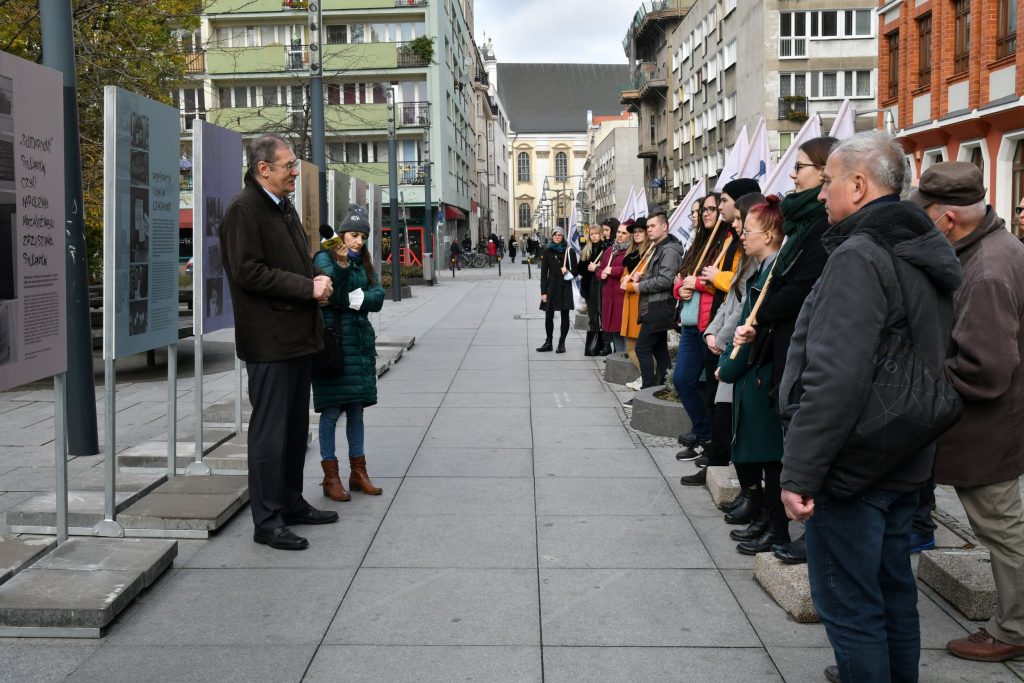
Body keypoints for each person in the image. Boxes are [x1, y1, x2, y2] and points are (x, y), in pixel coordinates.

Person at [779, 131, 961, 683]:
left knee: (852, 605)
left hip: (854, 461)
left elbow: (836, 376)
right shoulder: (920, 245)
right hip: (904, 452)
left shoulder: (860, 253)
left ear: (858, 185)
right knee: (891, 594)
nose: (820, 195)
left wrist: (802, 470)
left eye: (828, 182)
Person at [908, 162, 1024, 663]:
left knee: (1003, 530)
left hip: (987, 430)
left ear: (949, 218)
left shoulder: (988, 270)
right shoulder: (992, 247)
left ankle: (1016, 630)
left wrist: (918, 384)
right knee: (1003, 528)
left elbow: (986, 370)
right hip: (990, 426)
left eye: (925, 216)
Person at [220, 134, 339, 551]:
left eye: (295, 163)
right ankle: (267, 520)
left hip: (295, 336)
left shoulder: (281, 206)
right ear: (263, 169)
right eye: (288, 165)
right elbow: (248, 273)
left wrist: (316, 281)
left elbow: (290, 262)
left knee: (293, 429)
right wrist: (307, 288)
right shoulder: (243, 210)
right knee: (270, 433)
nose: (295, 171)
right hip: (269, 340)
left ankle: (290, 502)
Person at [732, 136, 838, 564]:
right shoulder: (803, 223)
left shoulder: (821, 228)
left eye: (801, 167)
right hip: (780, 346)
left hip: (804, 350)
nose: (792, 175)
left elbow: (799, 287)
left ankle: (794, 529)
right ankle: (773, 519)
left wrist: (764, 315)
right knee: (777, 443)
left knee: (789, 447)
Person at [717, 196, 788, 554]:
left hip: (763, 372)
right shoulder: (760, 269)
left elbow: (753, 326)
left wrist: (730, 366)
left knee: (769, 456)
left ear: (772, 234)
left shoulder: (776, 271)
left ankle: (777, 526)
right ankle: (765, 517)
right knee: (758, 452)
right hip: (751, 372)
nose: (743, 236)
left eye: (749, 231)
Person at [680, 192, 763, 487]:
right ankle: (718, 462)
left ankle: (742, 483)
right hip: (716, 332)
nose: (737, 227)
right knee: (717, 405)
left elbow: (741, 303)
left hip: (738, 343)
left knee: (727, 411)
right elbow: (729, 301)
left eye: (740, 219)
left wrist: (721, 334)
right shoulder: (735, 246)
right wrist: (712, 331)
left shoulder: (755, 258)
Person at [312, 214, 386, 502]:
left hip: (358, 343)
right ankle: (331, 477)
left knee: (356, 409)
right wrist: (342, 269)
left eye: (363, 236)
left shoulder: (364, 262)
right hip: (333, 344)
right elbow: (329, 291)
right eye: (354, 235)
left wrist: (349, 300)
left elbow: (377, 297)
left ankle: (359, 472)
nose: (359, 241)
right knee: (331, 410)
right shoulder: (324, 258)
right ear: (341, 235)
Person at [623, 208, 685, 395]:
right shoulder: (660, 247)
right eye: (647, 226)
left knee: (642, 349)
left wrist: (639, 287)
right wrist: (644, 277)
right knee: (660, 352)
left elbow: (666, 280)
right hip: (655, 305)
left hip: (659, 307)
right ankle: (665, 389)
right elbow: (660, 275)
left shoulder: (670, 250)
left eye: (652, 226)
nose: (649, 230)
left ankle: (646, 392)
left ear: (664, 227)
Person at [537, 226, 578, 354]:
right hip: (551, 287)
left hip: (565, 287)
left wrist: (568, 271)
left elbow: (576, 271)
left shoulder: (569, 251)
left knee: (564, 315)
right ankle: (548, 342)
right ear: (552, 236)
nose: (557, 237)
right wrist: (543, 292)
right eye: (555, 235)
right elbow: (544, 274)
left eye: (559, 235)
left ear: (563, 236)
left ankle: (562, 343)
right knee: (548, 314)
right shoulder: (547, 251)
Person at [620, 219, 650, 372]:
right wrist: (624, 279)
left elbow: (647, 281)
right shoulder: (630, 254)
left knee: (641, 348)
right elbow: (625, 276)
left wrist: (629, 285)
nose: (637, 234)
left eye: (640, 231)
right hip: (629, 305)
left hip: (641, 305)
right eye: (635, 232)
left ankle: (647, 377)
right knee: (631, 347)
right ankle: (645, 376)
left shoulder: (649, 255)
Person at [599, 219, 630, 354]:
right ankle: (618, 356)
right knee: (613, 330)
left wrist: (612, 271)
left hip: (621, 297)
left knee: (622, 330)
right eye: (618, 232)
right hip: (608, 298)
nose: (619, 235)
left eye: (624, 233)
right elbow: (600, 268)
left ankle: (624, 357)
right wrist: (601, 274)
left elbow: (627, 269)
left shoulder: (631, 251)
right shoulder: (609, 251)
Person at [579, 225, 607, 356]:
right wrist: (587, 268)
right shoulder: (586, 249)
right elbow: (581, 270)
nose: (594, 236)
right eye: (592, 234)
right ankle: (593, 344)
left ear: (601, 234)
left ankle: (605, 345)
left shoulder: (606, 248)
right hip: (590, 286)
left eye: (596, 234)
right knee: (593, 316)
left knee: (603, 315)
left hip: (602, 286)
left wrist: (597, 267)